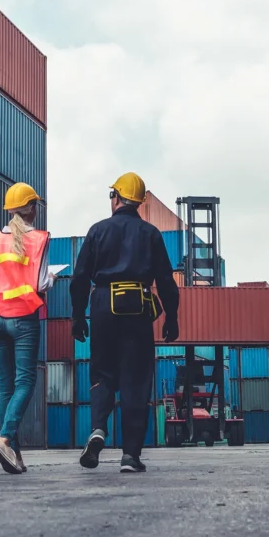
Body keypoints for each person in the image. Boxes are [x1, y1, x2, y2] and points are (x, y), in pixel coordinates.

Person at [70, 172, 180, 473]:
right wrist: (171, 316)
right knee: (135, 379)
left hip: (104, 305)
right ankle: (130, 456)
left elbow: (79, 279)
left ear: (115, 198)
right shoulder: (151, 233)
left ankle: (97, 430)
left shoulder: (97, 231)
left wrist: (78, 316)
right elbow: (167, 281)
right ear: (140, 203)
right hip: (137, 309)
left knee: (103, 373)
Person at [0, 182, 52, 474]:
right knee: (25, 383)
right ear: (32, 208)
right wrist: (54, 280)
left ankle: (15, 456)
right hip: (23, 320)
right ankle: (6, 437)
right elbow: (42, 283)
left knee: (5, 387)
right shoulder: (38, 240)